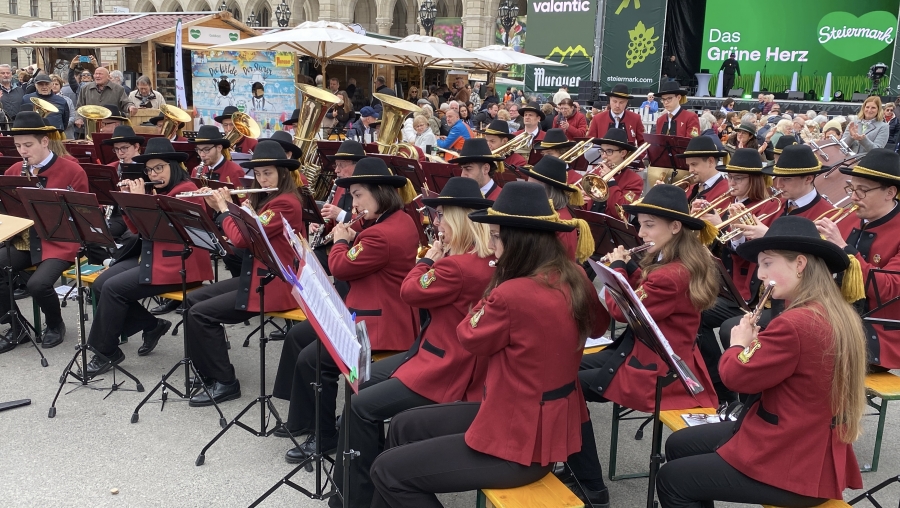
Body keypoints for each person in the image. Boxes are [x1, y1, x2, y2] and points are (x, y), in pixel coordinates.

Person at [368, 181, 611, 508]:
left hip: (517, 442)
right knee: (403, 425)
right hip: (521, 415)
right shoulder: (576, 276)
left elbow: (469, 336)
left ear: (518, 241)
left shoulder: (512, 292)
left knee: (386, 471)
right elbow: (599, 326)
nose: (491, 245)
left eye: (496, 236)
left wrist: (499, 281)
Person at [657, 215, 865, 507]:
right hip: (803, 440)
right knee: (679, 444)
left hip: (793, 461)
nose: (760, 274)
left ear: (800, 264)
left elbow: (736, 377)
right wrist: (759, 345)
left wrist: (738, 344)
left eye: (767, 263)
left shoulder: (796, 323)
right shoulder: (835, 311)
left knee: (672, 479)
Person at [327, 177, 494, 508]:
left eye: (442, 216)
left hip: (443, 366)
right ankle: (364, 482)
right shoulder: (478, 259)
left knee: (359, 405)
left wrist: (428, 260)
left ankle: (355, 496)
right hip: (434, 354)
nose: (438, 223)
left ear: (460, 220)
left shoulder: (457, 266)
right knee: (360, 380)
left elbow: (410, 291)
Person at [566, 184, 720, 505]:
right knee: (563, 372)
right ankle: (578, 469)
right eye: (641, 224)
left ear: (675, 227)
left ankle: (590, 482)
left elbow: (621, 310)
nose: (640, 232)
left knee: (566, 388)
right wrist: (633, 269)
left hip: (660, 371)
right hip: (647, 353)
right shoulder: (675, 261)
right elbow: (648, 292)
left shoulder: (673, 274)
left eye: (649, 225)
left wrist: (617, 268)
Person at [275, 157, 419, 460]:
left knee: (312, 360)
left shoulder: (380, 235)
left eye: (358, 195)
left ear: (379, 193)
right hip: (381, 312)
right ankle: (306, 421)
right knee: (303, 341)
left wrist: (340, 240)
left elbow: (339, 268)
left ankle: (324, 435)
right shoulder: (398, 219)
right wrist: (355, 234)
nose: (353, 204)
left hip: (379, 324)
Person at [183, 141, 306, 406]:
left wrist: (224, 208)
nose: (262, 179)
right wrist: (220, 204)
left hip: (276, 284)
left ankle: (225, 382)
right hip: (257, 275)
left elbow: (241, 238)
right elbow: (242, 226)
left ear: (283, 173)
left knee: (201, 314)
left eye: (268, 173)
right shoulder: (267, 198)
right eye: (258, 174)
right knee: (192, 300)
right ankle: (207, 371)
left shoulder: (286, 203)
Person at [82, 138, 213, 375]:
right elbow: (138, 230)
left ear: (174, 167)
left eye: (159, 168)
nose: (153, 174)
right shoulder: (161, 190)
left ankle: (105, 352)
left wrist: (140, 200)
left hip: (179, 263)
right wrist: (129, 202)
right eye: (150, 170)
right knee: (101, 283)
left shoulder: (186, 191)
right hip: (154, 256)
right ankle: (152, 325)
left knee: (113, 289)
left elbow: (164, 232)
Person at [694, 148, 782, 402]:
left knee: (723, 326)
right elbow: (717, 247)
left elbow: (756, 257)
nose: (731, 183)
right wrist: (706, 222)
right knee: (691, 311)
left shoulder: (770, 208)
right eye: (730, 177)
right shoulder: (730, 205)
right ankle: (717, 382)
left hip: (751, 293)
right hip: (730, 287)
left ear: (754, 180)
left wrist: (730, 232)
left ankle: (735, 389)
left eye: (738, 178)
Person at [0, 112, 89, 352]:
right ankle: (16, 326)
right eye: (18, 146)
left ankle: (55, 324)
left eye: (28, 145)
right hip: (26, 240)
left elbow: (82, 215)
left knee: (37, 284)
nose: (22, 151)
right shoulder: (14, 171)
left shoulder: (72, 170)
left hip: (60, 241)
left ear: (45, 142)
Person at [816, 148, 900, 369]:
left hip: (877, 335)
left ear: (890, 193)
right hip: (834, 316)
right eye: (852, 188)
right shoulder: (848, 218)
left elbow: (889, 288)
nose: (853, 197)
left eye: (862, 191)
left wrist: (844, 248)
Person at [312, 139, 368, 298]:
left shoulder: (367, 189)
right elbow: (331, 220)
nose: (336, 170)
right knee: (309, 260)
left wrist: (341, 215)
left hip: (358, 244)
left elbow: (367, 221)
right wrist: (320, 225)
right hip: (337, 242)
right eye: (336, 165)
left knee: (341, 271)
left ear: (357, 165)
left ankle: (344, 303)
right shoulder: (339, 187)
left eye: (341, 165)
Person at [519, 155, 593, 263]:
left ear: (549, 192)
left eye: (532, 188)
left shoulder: (561, 223)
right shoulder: (547, 213)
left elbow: (554, 264)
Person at [588, 128, 644, 215]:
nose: (603, 156)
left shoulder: (634, 180)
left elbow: (622, 211)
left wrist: (610, 181)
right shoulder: (596, 173)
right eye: (602, 151)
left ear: (623, 153)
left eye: (609, 151)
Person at [667, 135, 729, 205]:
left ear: (710, 161)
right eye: (689, 165)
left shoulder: (726, 191)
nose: (690, 170)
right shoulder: (691, 188)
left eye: (694, 164)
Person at [74, 66, 134, 133]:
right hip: (91, 128)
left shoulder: (118, 89)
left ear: (108, 77)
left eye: (100, 74)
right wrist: (78, 118)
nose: (97, 76)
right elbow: (79, 107)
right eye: (96, 74)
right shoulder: (85, 88)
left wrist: (130, 107)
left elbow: (126, 103)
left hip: (112, 128)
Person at [49, 75, 76, 139]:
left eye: (56, 84)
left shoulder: (68, 100)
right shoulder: (44, 100)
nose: (54, 86)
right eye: (52, 84)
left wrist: (62, 125)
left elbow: (72, 116)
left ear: (60, 86)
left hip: (66, 133)